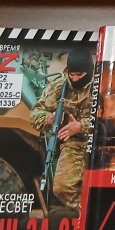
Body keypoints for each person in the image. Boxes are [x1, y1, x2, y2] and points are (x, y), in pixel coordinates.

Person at [29, 48, 93, 211]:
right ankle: (86, 212)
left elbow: (112, 118)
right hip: (73, 144)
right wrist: (49, 118)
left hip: (101, 142)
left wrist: (81, 126)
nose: (75, 79)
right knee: (62, 188)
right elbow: (36, 113)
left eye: (80, 75)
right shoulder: (59, 87)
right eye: (72, 74)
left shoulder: (103, 85)